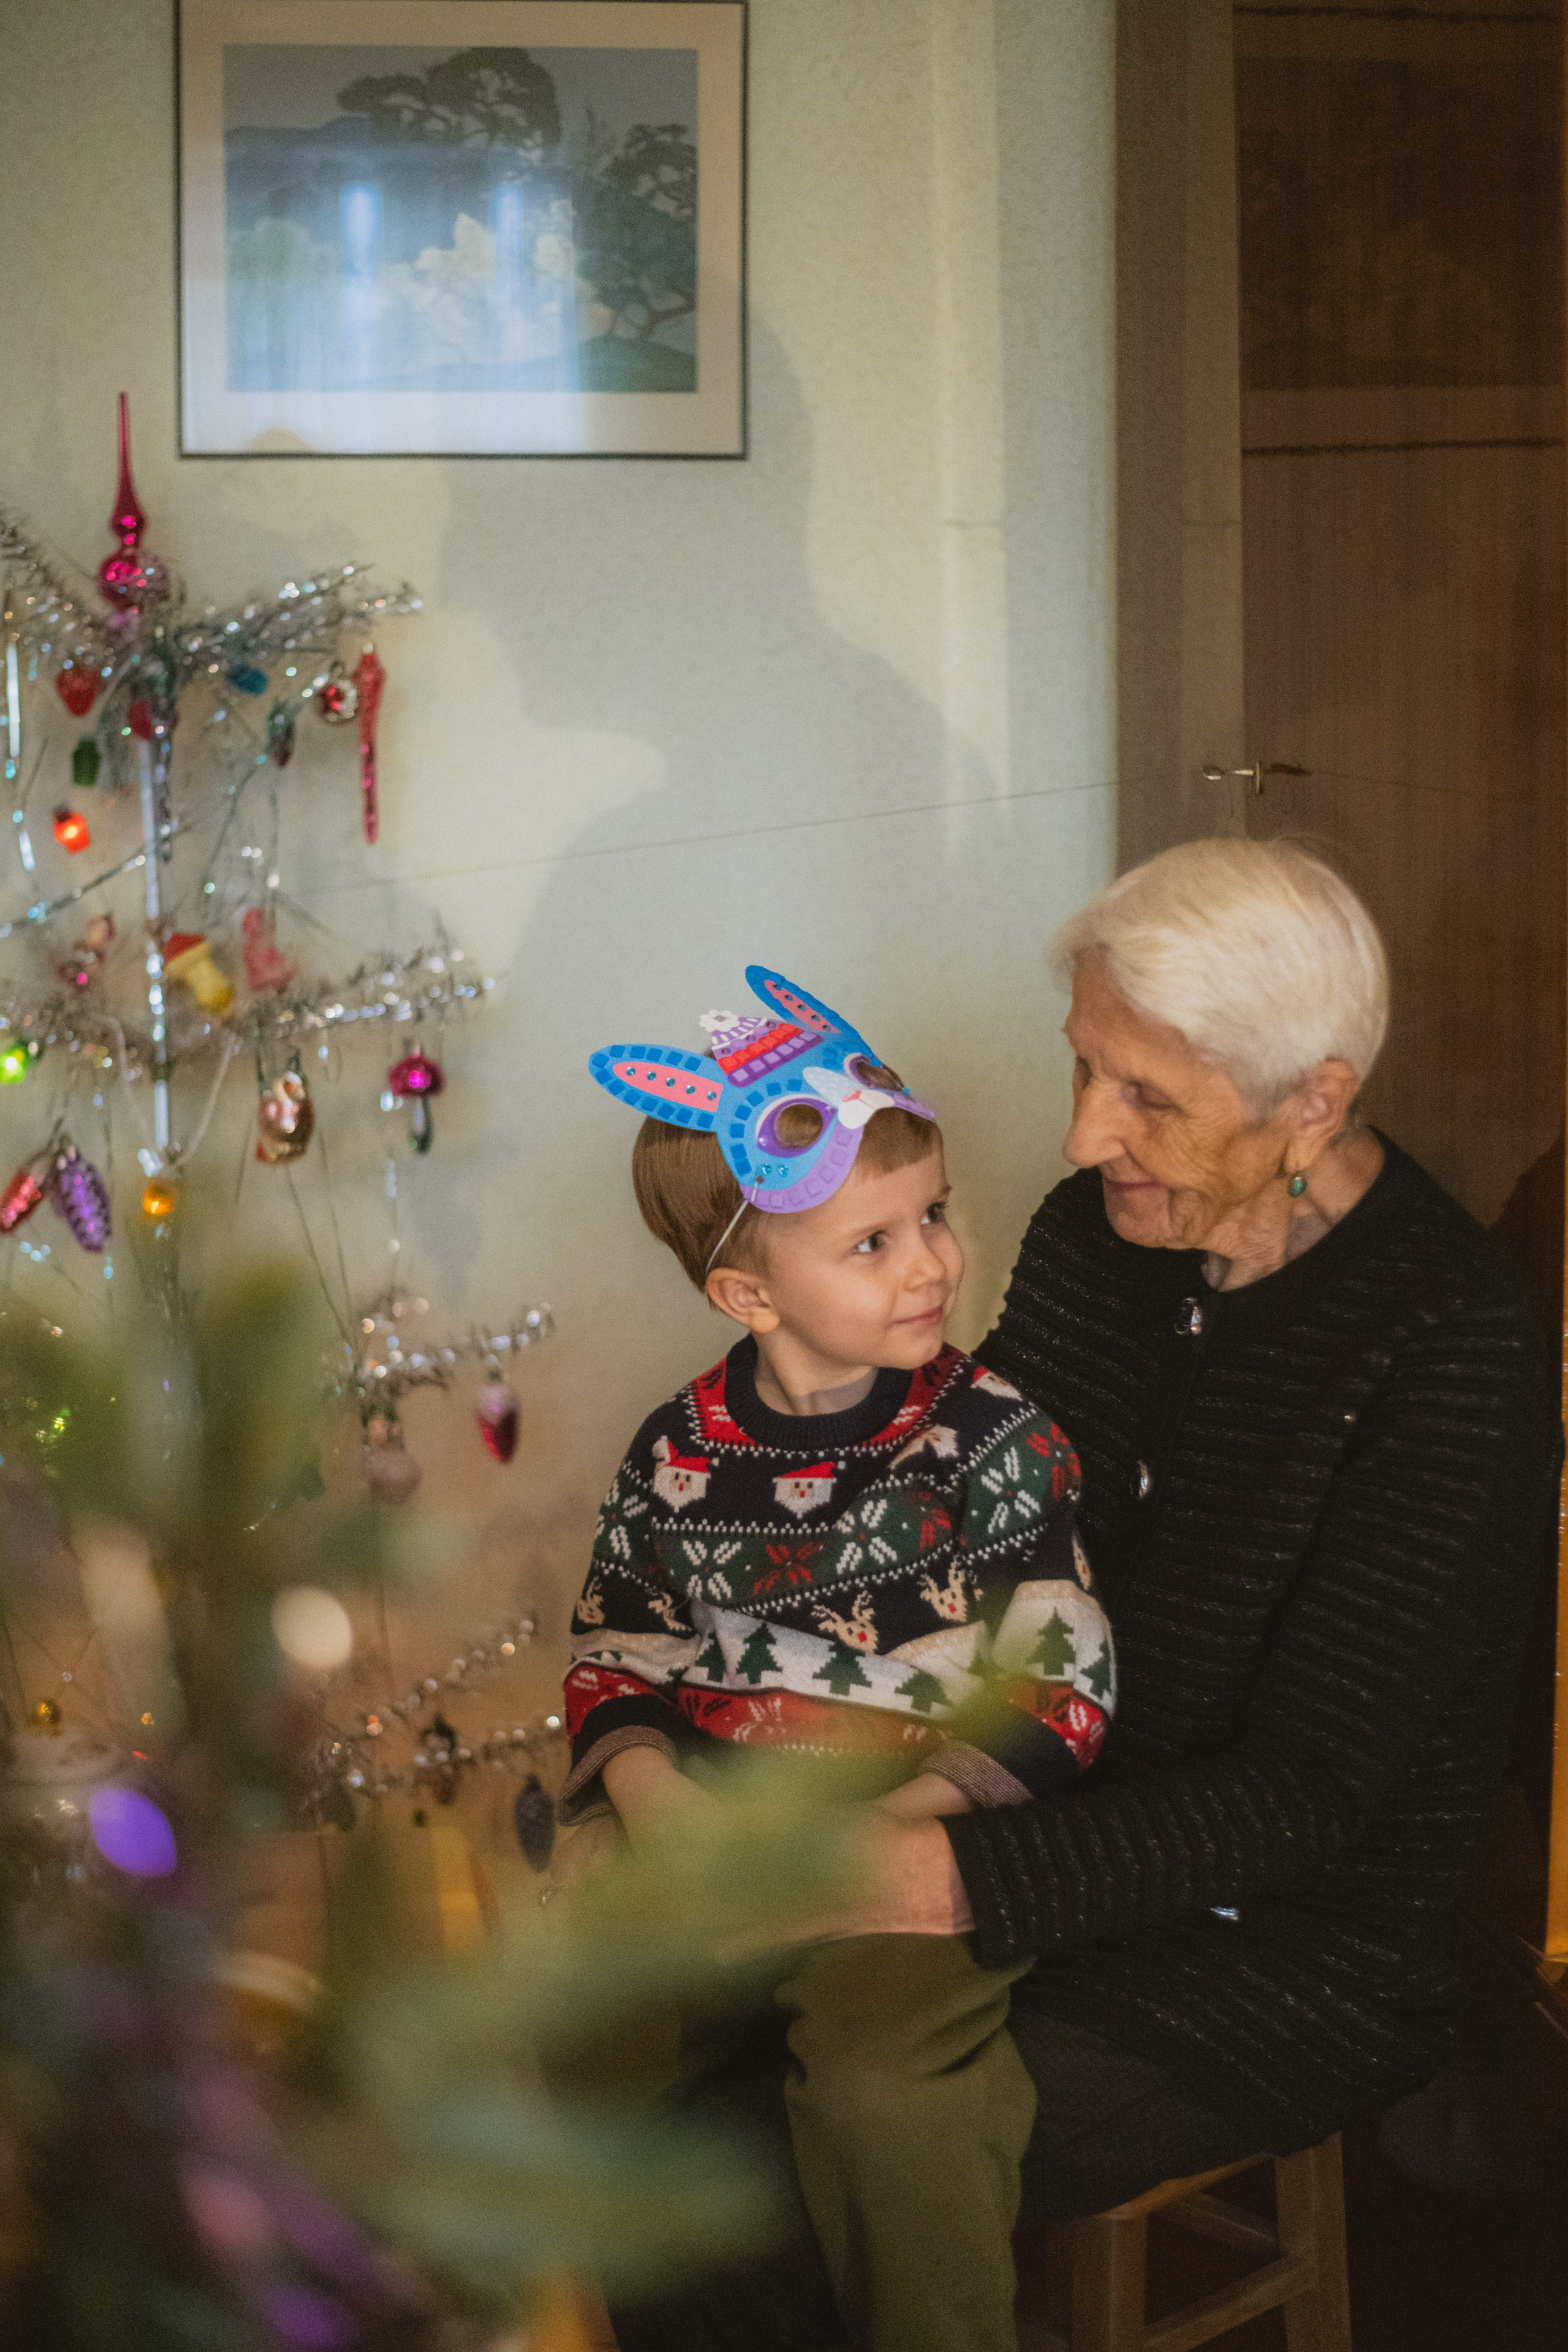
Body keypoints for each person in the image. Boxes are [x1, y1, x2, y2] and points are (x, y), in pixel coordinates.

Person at [608, 842, 1562, 2352]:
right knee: (653, 2106)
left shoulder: (1447, 1353)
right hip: (1023, 1808)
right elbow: (956, 1549)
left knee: (744, 2185)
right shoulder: (1096, 1234)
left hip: (1279, 1934)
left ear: (1310, 1099)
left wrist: (919, 1879)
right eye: (1084, 1071)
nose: (1079, 1131)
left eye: (1145, 1099)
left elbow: (1309, 1793)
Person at [561, 967, 1117, 2352]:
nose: (931, 1260)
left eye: (929, 1215)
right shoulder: (677, 1456)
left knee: (889, 2094)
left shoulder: (984, 1440)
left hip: (913, 1842)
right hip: (728, 1839)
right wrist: (656, 1806)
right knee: (590, 2047)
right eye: (870, 1243)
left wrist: (892, 1837)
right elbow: (616, 1651)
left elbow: (1060, 1678)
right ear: (746, 1291)